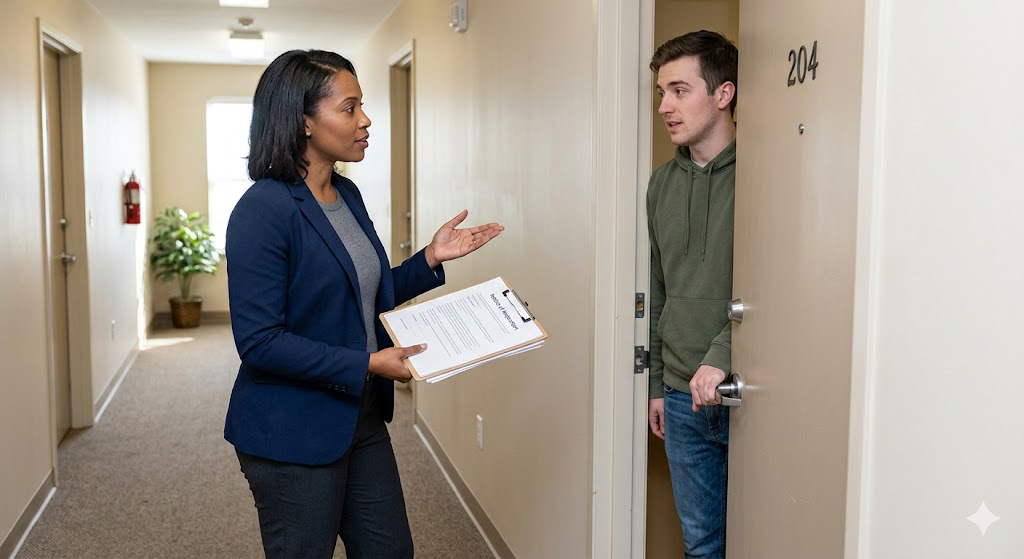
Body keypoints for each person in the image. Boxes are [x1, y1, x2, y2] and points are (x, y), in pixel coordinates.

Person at [223, 49, 503, 559]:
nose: (365, 119)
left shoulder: (346, 195)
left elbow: (360, 296)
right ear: (304, 122)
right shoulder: (262, 210)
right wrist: (369, 362)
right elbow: (260, 343)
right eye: (349, 108)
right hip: (293, 429)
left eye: (362, 106)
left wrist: (429, 258)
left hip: (361, 417)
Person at [646, 30, 737, 559]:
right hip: (681, 398)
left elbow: (771, 296)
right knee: (701, 545)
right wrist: (658, 385)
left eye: (679, 90)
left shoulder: (765, 175)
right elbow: (660, 293)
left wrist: (721, 356)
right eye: (661, 93)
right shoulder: (660, 184)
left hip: (755, 392)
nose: (664, 107)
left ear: (722, 94)